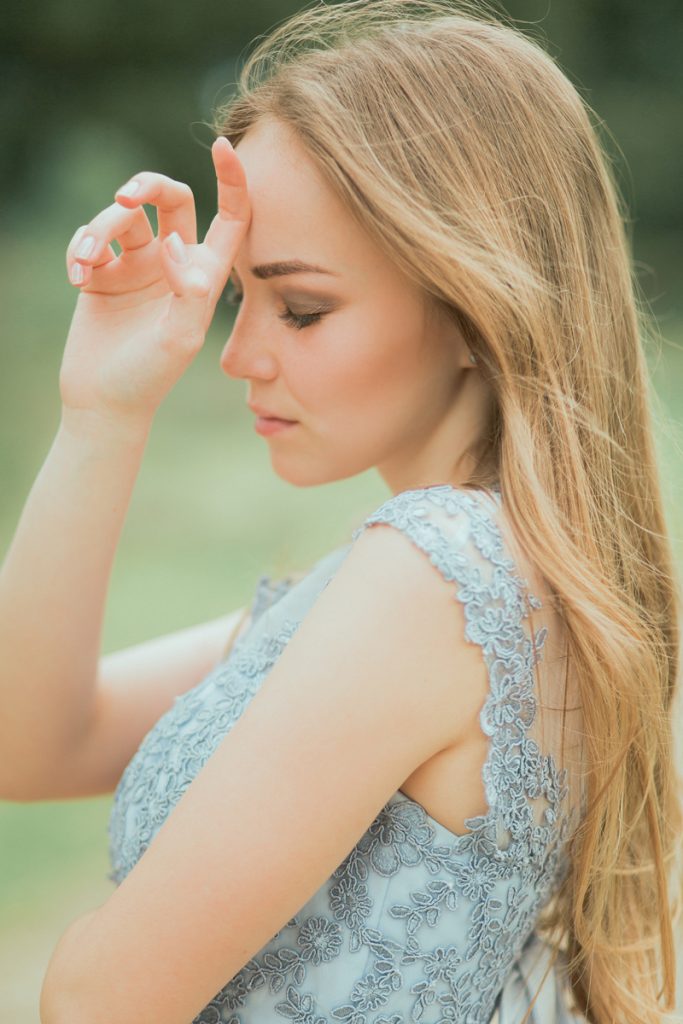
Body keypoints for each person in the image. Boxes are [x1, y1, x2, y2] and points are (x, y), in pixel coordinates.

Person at [1, 0, 679, 1021]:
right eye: (241, 299)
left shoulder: (435, 576)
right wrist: (103, 411)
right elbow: (35, 741)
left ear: (469, 305)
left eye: (301, 307)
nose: (239, 356)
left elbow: (97, 999)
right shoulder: (480, 570)